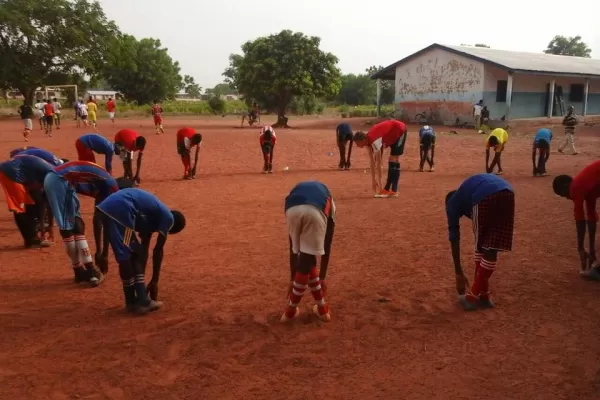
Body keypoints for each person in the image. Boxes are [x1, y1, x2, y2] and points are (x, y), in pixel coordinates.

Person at [96, 188, 186, 314]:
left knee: (132, 254)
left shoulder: (150, 218)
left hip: (111, 207)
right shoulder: (168, 218)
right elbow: (157, 251)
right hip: (122, 208)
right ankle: (142, 301)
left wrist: (141, 281)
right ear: (172, 229)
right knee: (130, 255)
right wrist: (154, 281)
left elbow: (144, 250)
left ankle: (132, 301)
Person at [445, 174, 515, 311]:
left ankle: (472, 296)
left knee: (482, 247)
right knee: (492, 246)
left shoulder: (452, 203)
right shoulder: (465, 193)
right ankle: (484, 295)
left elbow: (454, 236)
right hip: (507, 193)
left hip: (484, 196)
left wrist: (458, 272)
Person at [43, 161, 118, 286]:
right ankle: (90, 269)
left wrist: (102, 252)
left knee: (74, 223)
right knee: (72, 225)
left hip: (55, 180)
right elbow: (99, 220)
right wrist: (101, 253)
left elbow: (101, 219)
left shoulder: (104, 183)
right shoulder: (111, 189)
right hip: (59, 180)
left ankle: (78, 271)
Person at [281, 181, 334, 323]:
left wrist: (292, 278)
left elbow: (293, 248)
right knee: (307, 260)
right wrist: (322, 277)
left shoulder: (297, 192)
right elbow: (327, 243)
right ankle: (291, 311)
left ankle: (321, 308)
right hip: (314, 212)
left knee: (306, 259)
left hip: (290, 209)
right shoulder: (329, 201)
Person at [552, 161, 600, 280]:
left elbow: (580, 220)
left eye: (564, 195)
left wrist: (580, 248)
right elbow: (591, 217)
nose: (568, 198)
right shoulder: (587, 187)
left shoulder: (576, 186)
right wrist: (591, 249)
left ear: (565, 186)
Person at [0, 155, 55, 248]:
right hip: (12, 173)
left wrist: (47, 225)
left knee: (30, 203)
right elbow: (46, 204)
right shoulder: (54, 179)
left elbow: (41, 201)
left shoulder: (52, 174)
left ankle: (32, 235)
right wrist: (50, 226)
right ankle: (31, 239)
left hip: (15, 170)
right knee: (20, 209)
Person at [352, 119, 407, 198]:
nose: (357, 146)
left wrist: (380, 185)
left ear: (363, 140)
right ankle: (390, 190)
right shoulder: (368, 141)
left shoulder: (374, 140)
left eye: (357, 143)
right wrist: (373, 180)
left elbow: (379, 163)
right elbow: (372, 162)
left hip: (400, 129)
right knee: (394, 158)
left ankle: (390, 190)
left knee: (393, 158)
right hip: (392, 134)